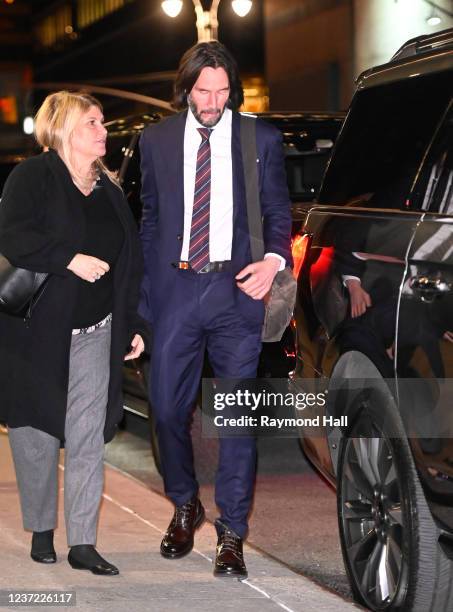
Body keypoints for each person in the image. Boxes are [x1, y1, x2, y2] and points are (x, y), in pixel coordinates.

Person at [139, 42, 291, 578]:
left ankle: (232, 532)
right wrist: (149, 296)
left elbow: (277, 210)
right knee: (165, 409)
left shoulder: (259, 137)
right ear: (186, 89)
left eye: (223, 91)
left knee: (235, 419)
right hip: (176, 290)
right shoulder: (154, 139)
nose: (213, 101)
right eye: (204, 91)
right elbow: (151, 218)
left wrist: (273, 261)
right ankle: (184, 501)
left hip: (237, 290)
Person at [0, 91, 148, 575]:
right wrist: (68, 260)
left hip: (97, 330)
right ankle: (42, 528)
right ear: (63, 127)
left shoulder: (107, 188)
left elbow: (131, 263)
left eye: (103, 122)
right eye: (93, 122)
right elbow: (14, 236)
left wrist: (134, 324)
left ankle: (83, 542)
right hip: (37, 332)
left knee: (87, 437)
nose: (103, 130)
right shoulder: (32, 177)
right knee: (37, 431)